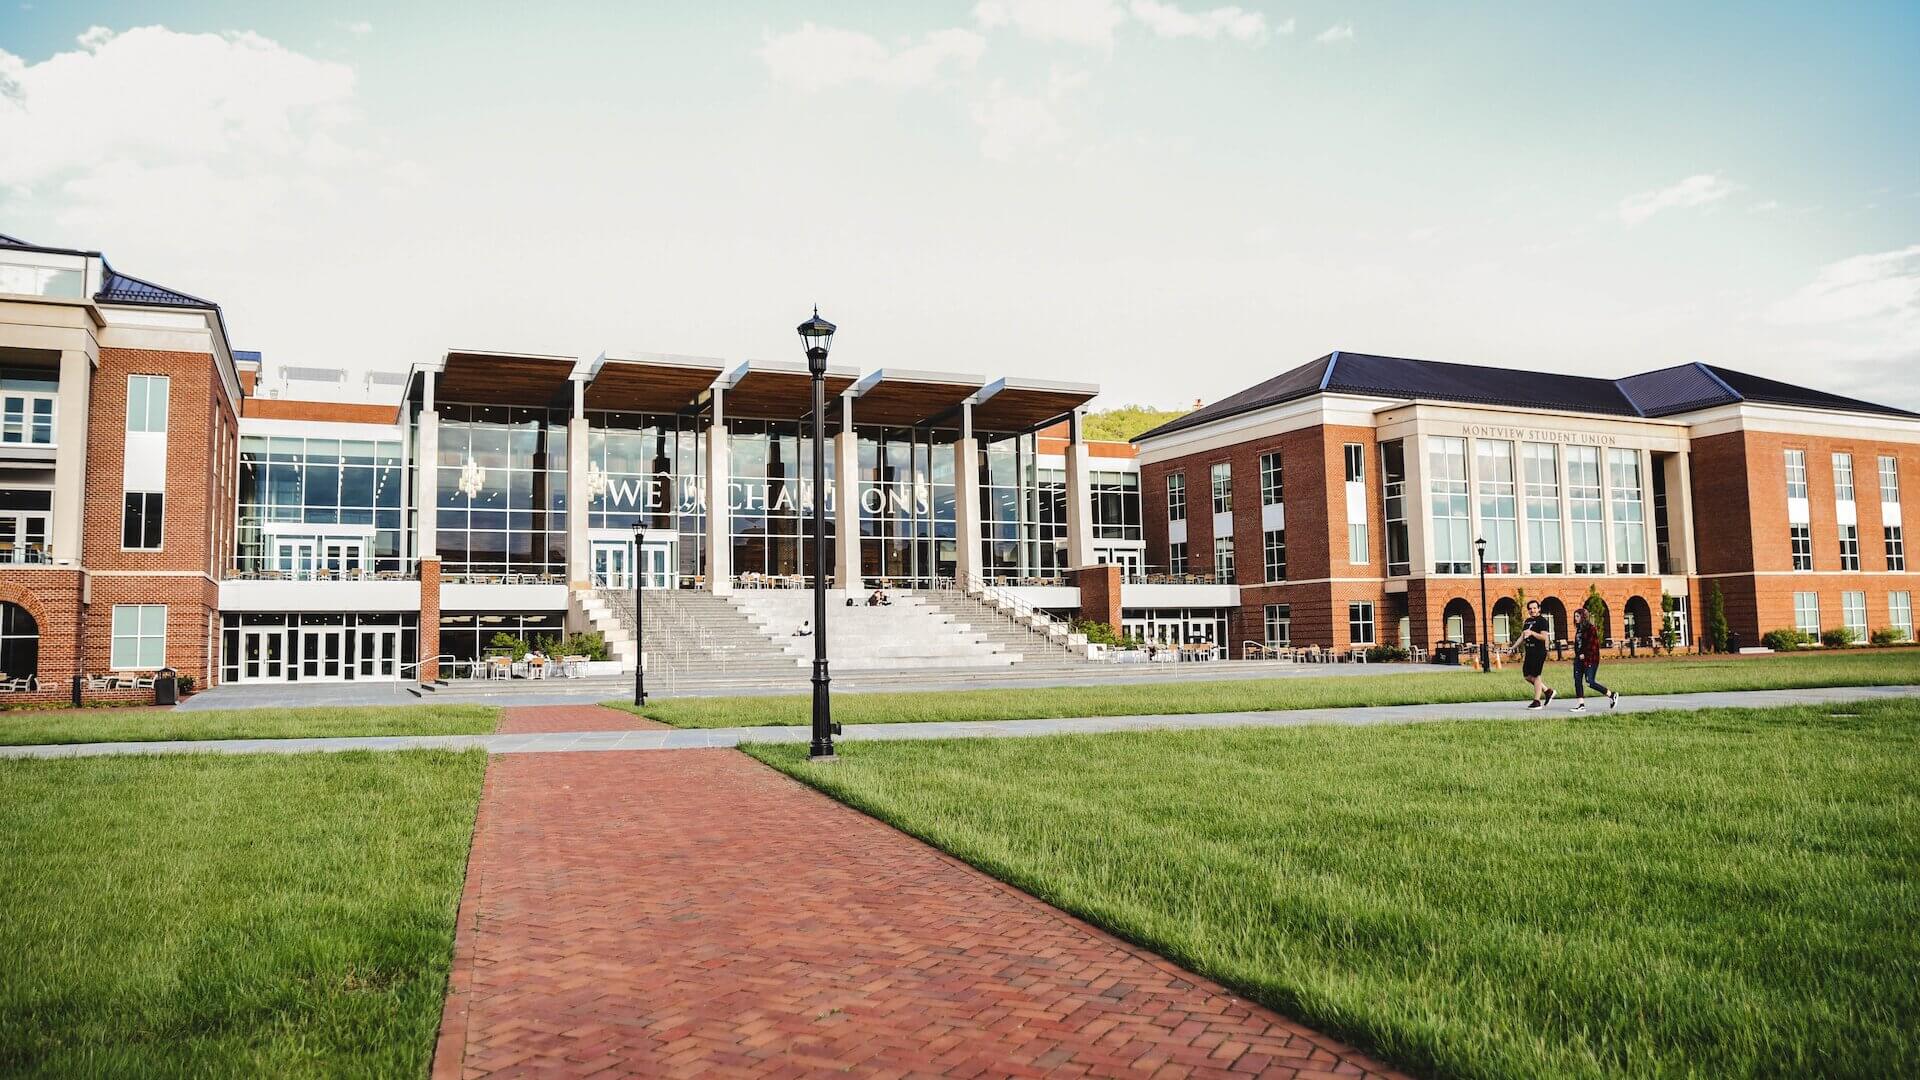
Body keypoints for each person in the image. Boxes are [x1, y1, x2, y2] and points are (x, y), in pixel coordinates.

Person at [1508, 598, 1556, 709]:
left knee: (1536, 675)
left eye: (1534, 608)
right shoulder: (1527, 621)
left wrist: (1532, 633)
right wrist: (1512, 647)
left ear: (1539, 609)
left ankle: (1537, 701)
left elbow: (1544, 637)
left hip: (1538, 651)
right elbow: (1522, 636)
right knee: (1527, 676)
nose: (1532, 610)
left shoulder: (1542, 621)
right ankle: (1548, 691)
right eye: (1530, 609)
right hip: (1529, 651)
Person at [1570, 608, 1619, 712]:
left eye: (1578, 616)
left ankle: (1611, 695)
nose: (1576, 618)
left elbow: (1594, 646)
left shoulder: (1591, 629)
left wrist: (1585, 654)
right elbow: (1577, 645)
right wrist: (1578, 655)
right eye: (1575, 616)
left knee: (1590, 682)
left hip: (1590, 660)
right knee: (1577, 680)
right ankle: (1581, 705)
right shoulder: (1579, 629)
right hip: (1579, 659)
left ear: (1583, 617)